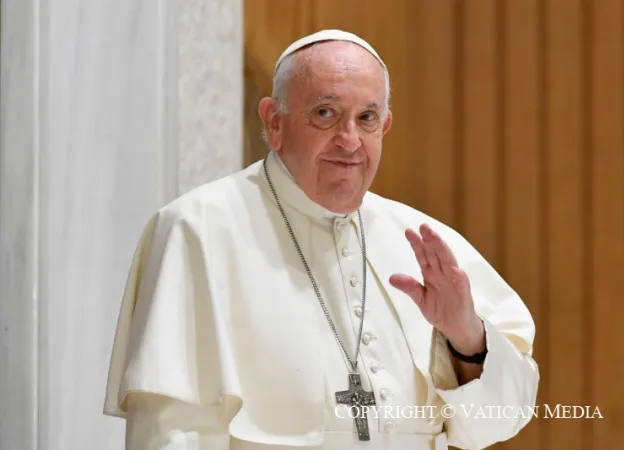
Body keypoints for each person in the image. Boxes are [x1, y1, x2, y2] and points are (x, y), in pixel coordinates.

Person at [103, 29, 539, 450]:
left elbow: (493, 427)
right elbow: (172, 433)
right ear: (275, 122)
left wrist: (467, 339)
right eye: (326, 113)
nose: (349, 141)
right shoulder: (196, 230)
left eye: (366, 118)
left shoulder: (424, 244)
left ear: (384, 127)